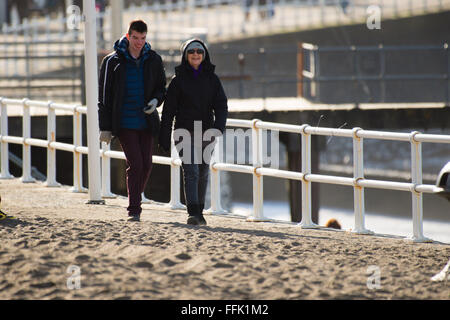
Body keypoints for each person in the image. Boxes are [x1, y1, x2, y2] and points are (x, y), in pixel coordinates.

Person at [98, 19, 166, 222]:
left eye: (143, 38)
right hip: (124, 122)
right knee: (135, 165)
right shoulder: (112, 61)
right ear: (128, 36)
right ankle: (134, 209)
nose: (139, 42)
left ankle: (135, 198)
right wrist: (105, 127)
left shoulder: (154, 59)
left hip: (146, 122)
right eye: (135, 38)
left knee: (147, 166)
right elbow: (103, 96)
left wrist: (155, 101)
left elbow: (162, 88)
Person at [159, 38, 228, 226]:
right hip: (184, 132)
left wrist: (218, 128)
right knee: (192, 171)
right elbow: (168, 111)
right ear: (185, 55)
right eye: (191, 51)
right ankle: (193, 213)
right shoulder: (178, 80)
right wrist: (164, 137)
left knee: (203, 172)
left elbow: (221, 106)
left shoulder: (212, 79)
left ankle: (200, 212)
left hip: (207, 133)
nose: (196, 54)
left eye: (199, 51)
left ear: (204, 55)